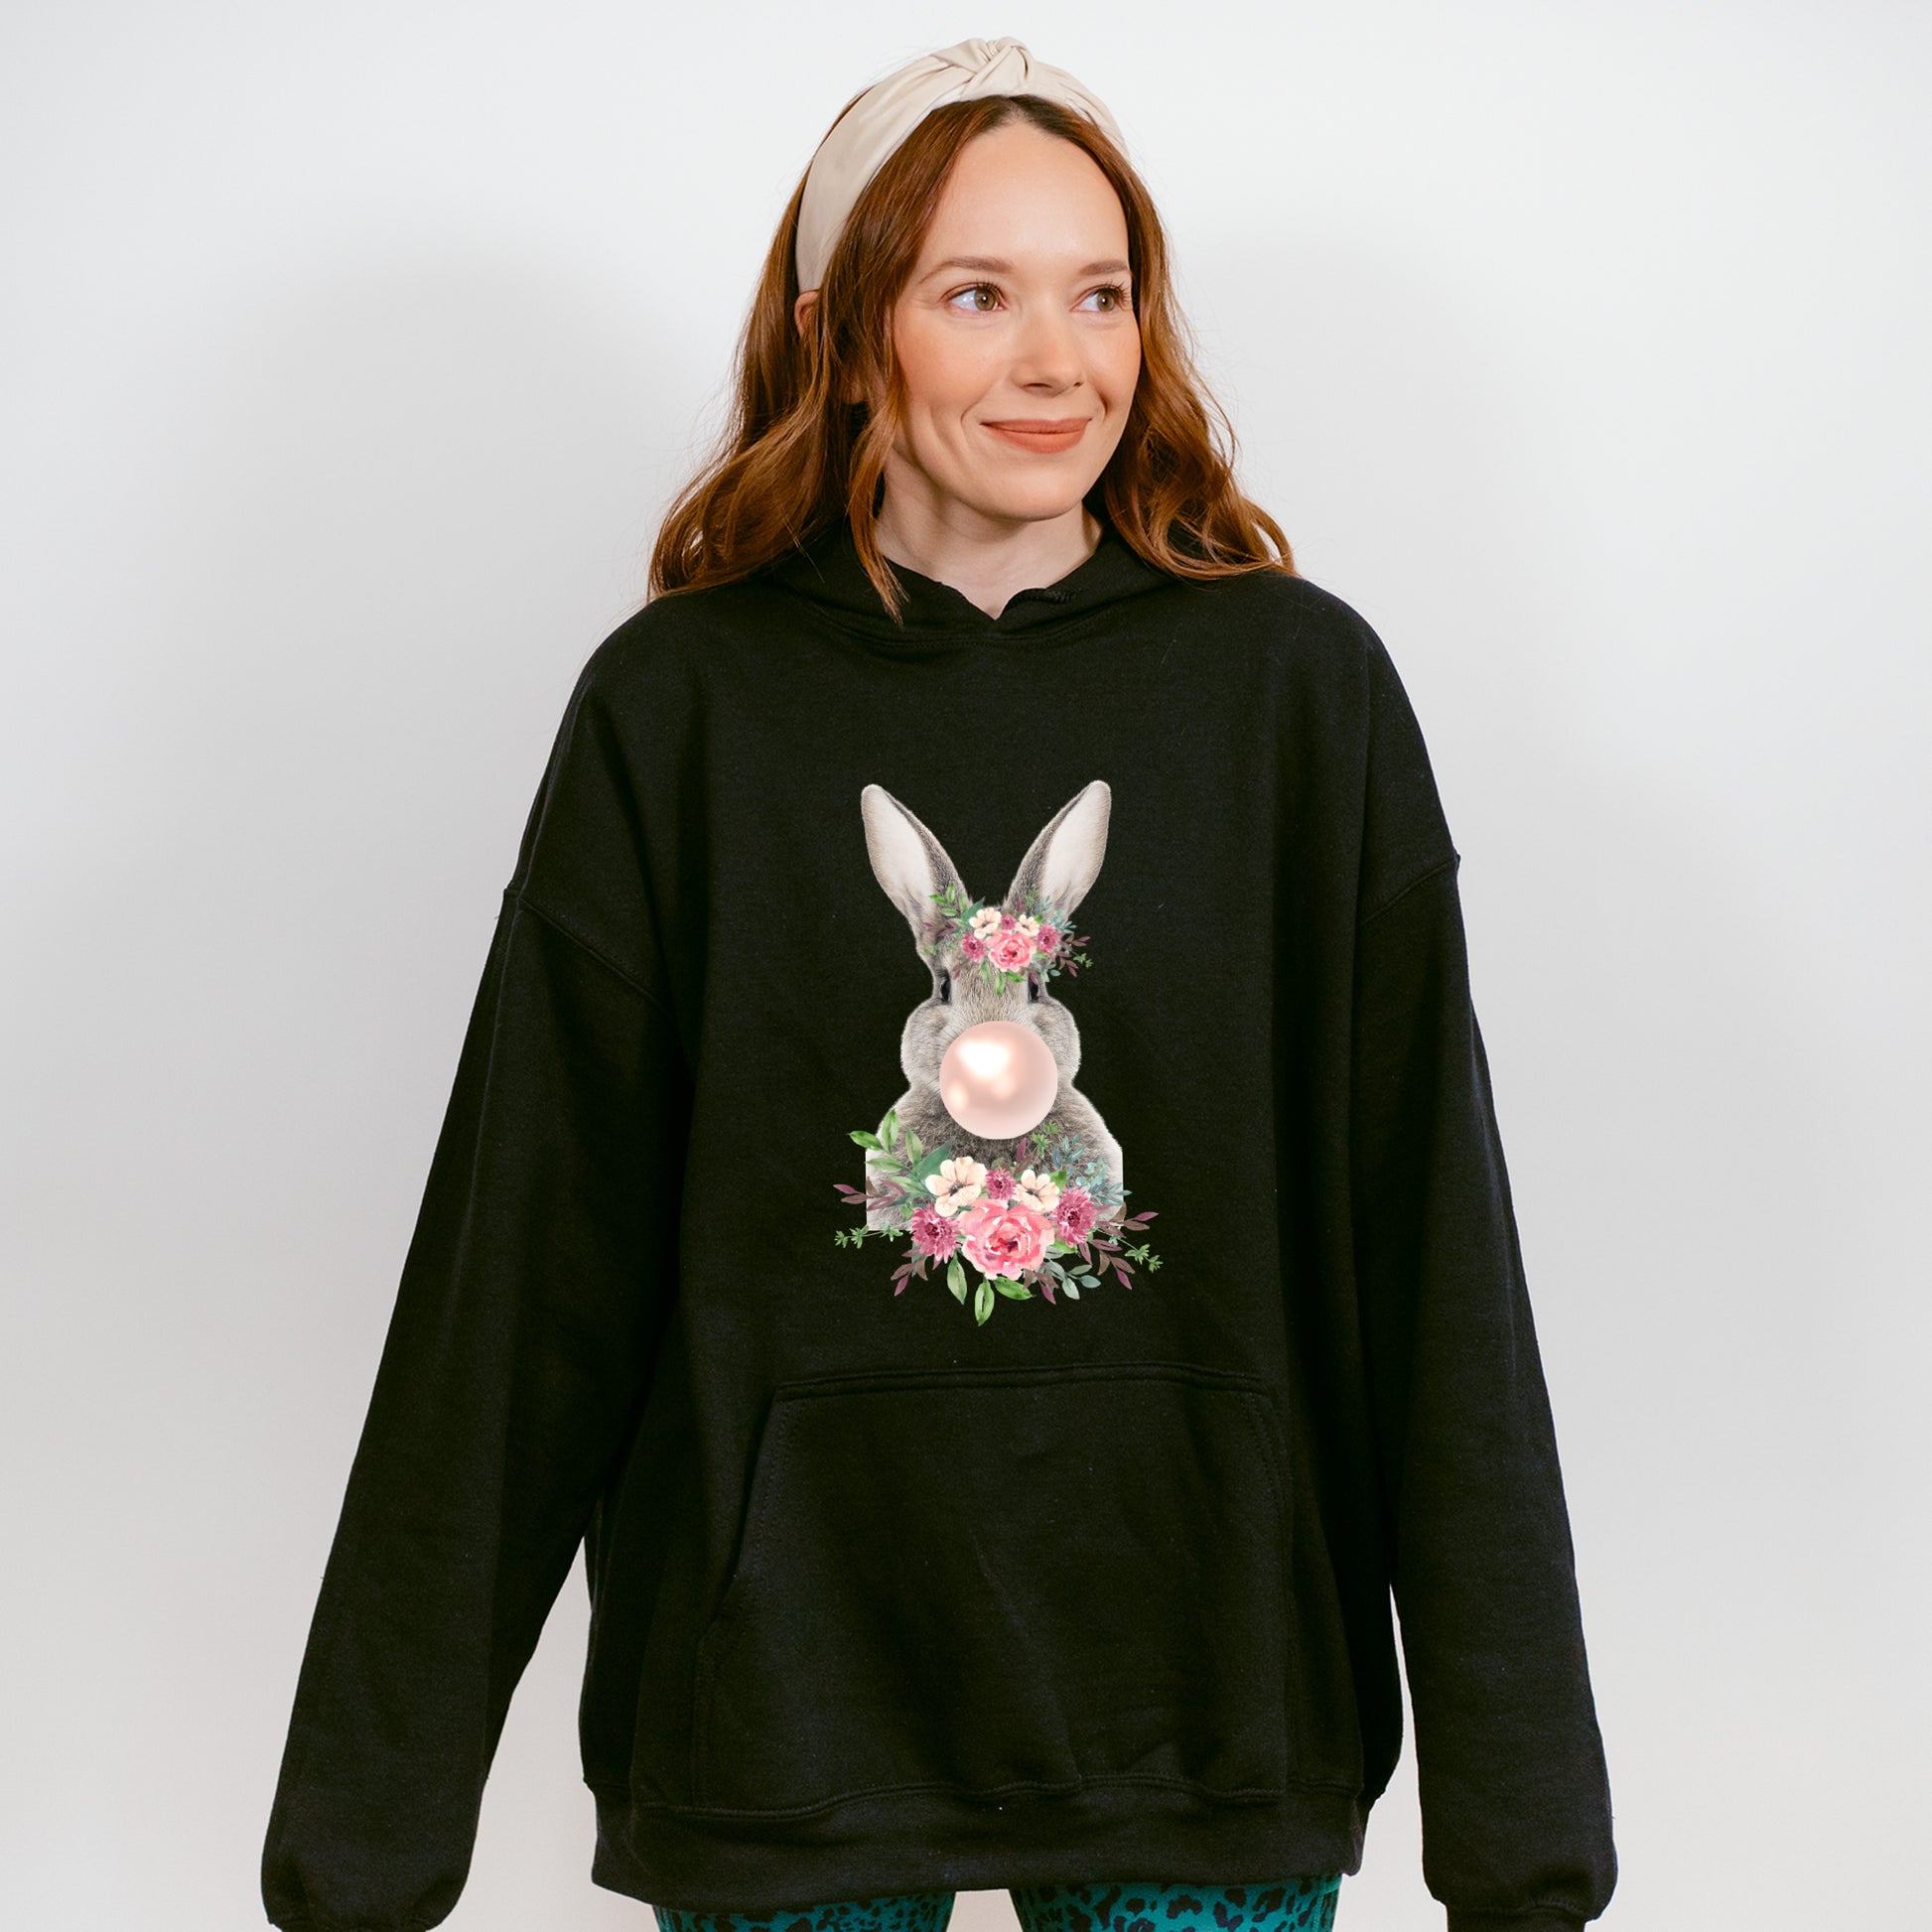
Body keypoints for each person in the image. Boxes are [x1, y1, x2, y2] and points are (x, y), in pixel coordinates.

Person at [261, 35, 1615, 1932]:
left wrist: (1522, 1811)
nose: (1058, 362)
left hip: (1206, 1693)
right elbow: (524, 1269)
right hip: (778, 1701)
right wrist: (367, 1834)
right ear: (842, 332)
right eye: (977, 294)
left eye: (1101, 294)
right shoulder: (683, 712)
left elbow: (1431, 1244)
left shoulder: (1297, 700)